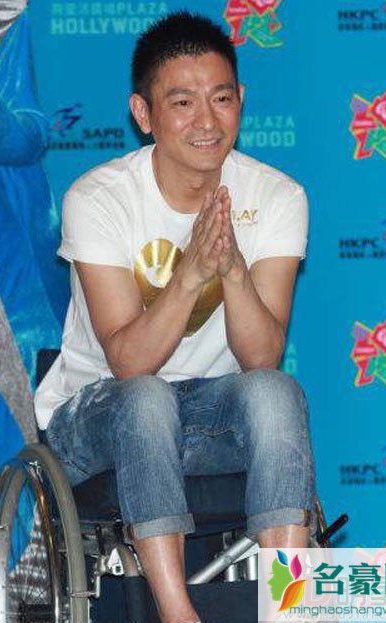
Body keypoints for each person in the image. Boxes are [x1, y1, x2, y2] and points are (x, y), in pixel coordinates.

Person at [35, 11, 315, 623]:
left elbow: (261, 357)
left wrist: (233, 270)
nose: (207, 121)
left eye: (221, 98)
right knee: (146, 397)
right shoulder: (98, 198)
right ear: (143, 113)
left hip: (209, 419)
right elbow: (129, 362)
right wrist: (190, 273)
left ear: (241, 100)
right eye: (183, 102)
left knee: (276, 391)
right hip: (96, 417)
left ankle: (290, 606)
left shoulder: (277, 196)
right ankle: (175, 612)